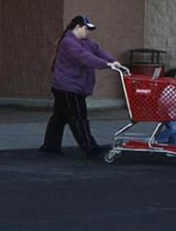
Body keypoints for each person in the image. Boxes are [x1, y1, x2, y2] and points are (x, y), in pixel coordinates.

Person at [40, 15, 121, 159]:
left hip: (66, 86)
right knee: (78, 118)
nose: (87, 32)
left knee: (59, 117)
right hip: (69, 87)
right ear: (77, 27)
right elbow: (84, 57)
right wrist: (107, 64)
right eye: (86, 28)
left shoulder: (85, 42)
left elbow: (98, 51)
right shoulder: (69, 43)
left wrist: (112, 60)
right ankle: (89, 147)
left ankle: (50, 146)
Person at [155, 67, 176, 146]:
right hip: (166, 111)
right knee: (173, 128)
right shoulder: (168, 88)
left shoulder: (171, 88)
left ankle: (173, 145)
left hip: (169, 111)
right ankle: (157, 140)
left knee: (174, 128)